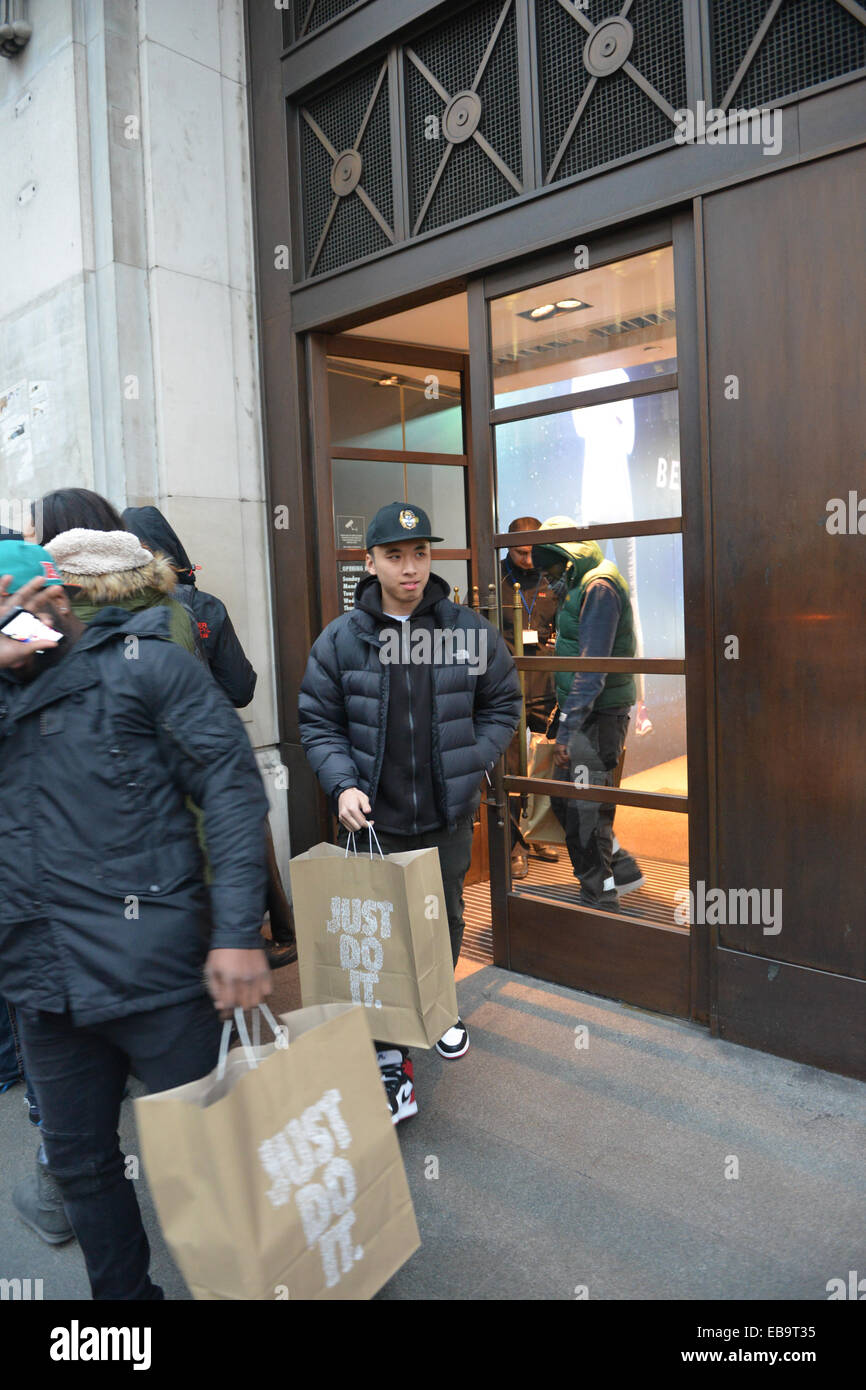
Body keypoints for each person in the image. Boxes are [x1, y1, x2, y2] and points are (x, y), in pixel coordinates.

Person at [0, 539, 271, 1298]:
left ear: (55, 595)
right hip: (43, 987)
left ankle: (271, 1279)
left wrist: (237, 932)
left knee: (219, 1152)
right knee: (83, 1169)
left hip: (158, 973)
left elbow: (232, 786)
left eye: (15, 603)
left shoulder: (147, 668)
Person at [298, 502, 521, 1122]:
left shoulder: (467, 631)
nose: (410, 567)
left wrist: (471, 759)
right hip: (374, 818)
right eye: (395, 555)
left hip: (445, 813)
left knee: (443, 915)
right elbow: (318, 722)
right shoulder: (342, 640)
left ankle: (438, 1006)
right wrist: (341, 785)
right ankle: (389, 1049)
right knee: (379, 931)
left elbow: (504, 703)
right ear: (369, 563)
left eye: (420, 553)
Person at [532, 517, 645, 911]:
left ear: (567, 561)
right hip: (589, 713)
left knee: (581, 807)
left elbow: (592, 666)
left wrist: (567, 728)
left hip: (596, 715)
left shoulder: (598, 586)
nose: (546, 582)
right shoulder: (584, 583)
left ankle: (602, 895)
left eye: (549, 572)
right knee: (574, 803)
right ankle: (618, 870)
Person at [123, 506, 257, 708]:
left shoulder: (103, 608)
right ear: (170, 547)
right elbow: (240, 690)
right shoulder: (205, 607)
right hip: (196, 729)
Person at [500, 516, 560, 879]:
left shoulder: (552, 580)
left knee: (545, 767)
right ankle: (513, 845)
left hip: (544, 684)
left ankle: (540, 833)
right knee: (510, 771)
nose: (528, 560)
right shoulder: (495, 582)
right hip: (506, 688)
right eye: (521, 552)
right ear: (508, 546)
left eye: (533, 552)